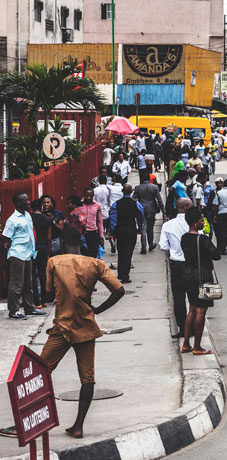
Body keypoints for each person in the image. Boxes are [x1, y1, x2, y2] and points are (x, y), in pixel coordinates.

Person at [0, 225, 124, 440]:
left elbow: (48, 291)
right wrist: (97, 310)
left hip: (62, 327)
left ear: (63, 243)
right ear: (80, 241)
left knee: (38, 373)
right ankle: (78, 426)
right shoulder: (96, 263)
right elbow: (119, 290)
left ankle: (24, 424)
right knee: (88, 378)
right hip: (85, 326)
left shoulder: (54, 262)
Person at [180, 207, 220, 355]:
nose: (204, 223)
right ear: (195, 223)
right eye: (202, 221)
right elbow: (216, 255)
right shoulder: (203, 239)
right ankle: (197, 346)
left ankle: (186, 344)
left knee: (191, 309)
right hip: (203, 276)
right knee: (201, 312)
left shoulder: (184, 238)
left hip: (188, 275)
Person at [3, 194, 46, 319]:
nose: (28, 202)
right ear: (18, 204)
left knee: (28, 284)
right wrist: (6, 258)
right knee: (17, 284)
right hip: (17, 254)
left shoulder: (27, 215)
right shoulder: (12, 220)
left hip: (28, 254)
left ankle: (29, 308)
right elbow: (5, 238)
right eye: (25, 201)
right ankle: (14, 310)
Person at [160, 198, 193, 338]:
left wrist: (175, 249)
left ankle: (182, 327)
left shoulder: (168, 225)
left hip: (177, 265)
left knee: (178, 298)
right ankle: (193, 327)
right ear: (185, 208)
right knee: (194, 298)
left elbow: (163, 245)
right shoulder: (193, 223)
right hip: (192, 264)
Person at [111, 184, 144, 283]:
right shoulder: (136, 204)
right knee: (128, 253)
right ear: (131, 191)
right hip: (131, 230)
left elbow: (113, 218)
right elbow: (140, 215)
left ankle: (120, 274)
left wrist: (112, 231)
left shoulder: (116, 204)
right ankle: (125, 276)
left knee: (121, 252)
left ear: (122, 191)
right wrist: (140, 226)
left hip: (120, 231)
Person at [133, 176, 164, 254]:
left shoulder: (137, 188)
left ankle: (143, 247)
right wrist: (164, 211)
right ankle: (151, 244)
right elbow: (159, 200)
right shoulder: (154, 187)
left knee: (143, 228)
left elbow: (133, 200)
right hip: (151, 210)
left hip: (141, 210)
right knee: (150, 228)